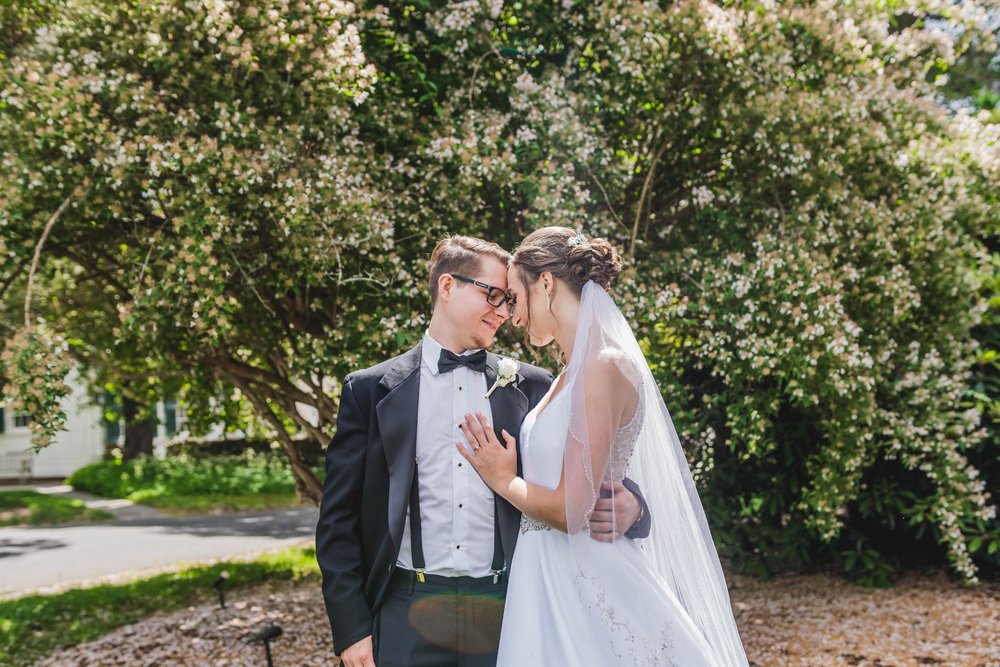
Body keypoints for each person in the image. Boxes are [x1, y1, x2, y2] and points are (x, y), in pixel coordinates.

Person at [316, 235, 650, 667]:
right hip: (404, 610)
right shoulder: (369, 390)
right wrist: (352, 630)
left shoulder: (533, 386)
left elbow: (582, 467)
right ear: (448, 286)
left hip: (512, 606)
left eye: (510, 299)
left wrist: (634, 507)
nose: (505, 312)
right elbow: (337, 521)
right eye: (493, 295)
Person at [458, 227, 749, 666]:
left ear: (547, 284)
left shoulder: (603, 364)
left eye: (516, 298)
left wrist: (503, 479)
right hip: (547, 576)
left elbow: (572, 511)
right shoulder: (568, 374)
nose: (513, 318)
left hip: (589, 578)